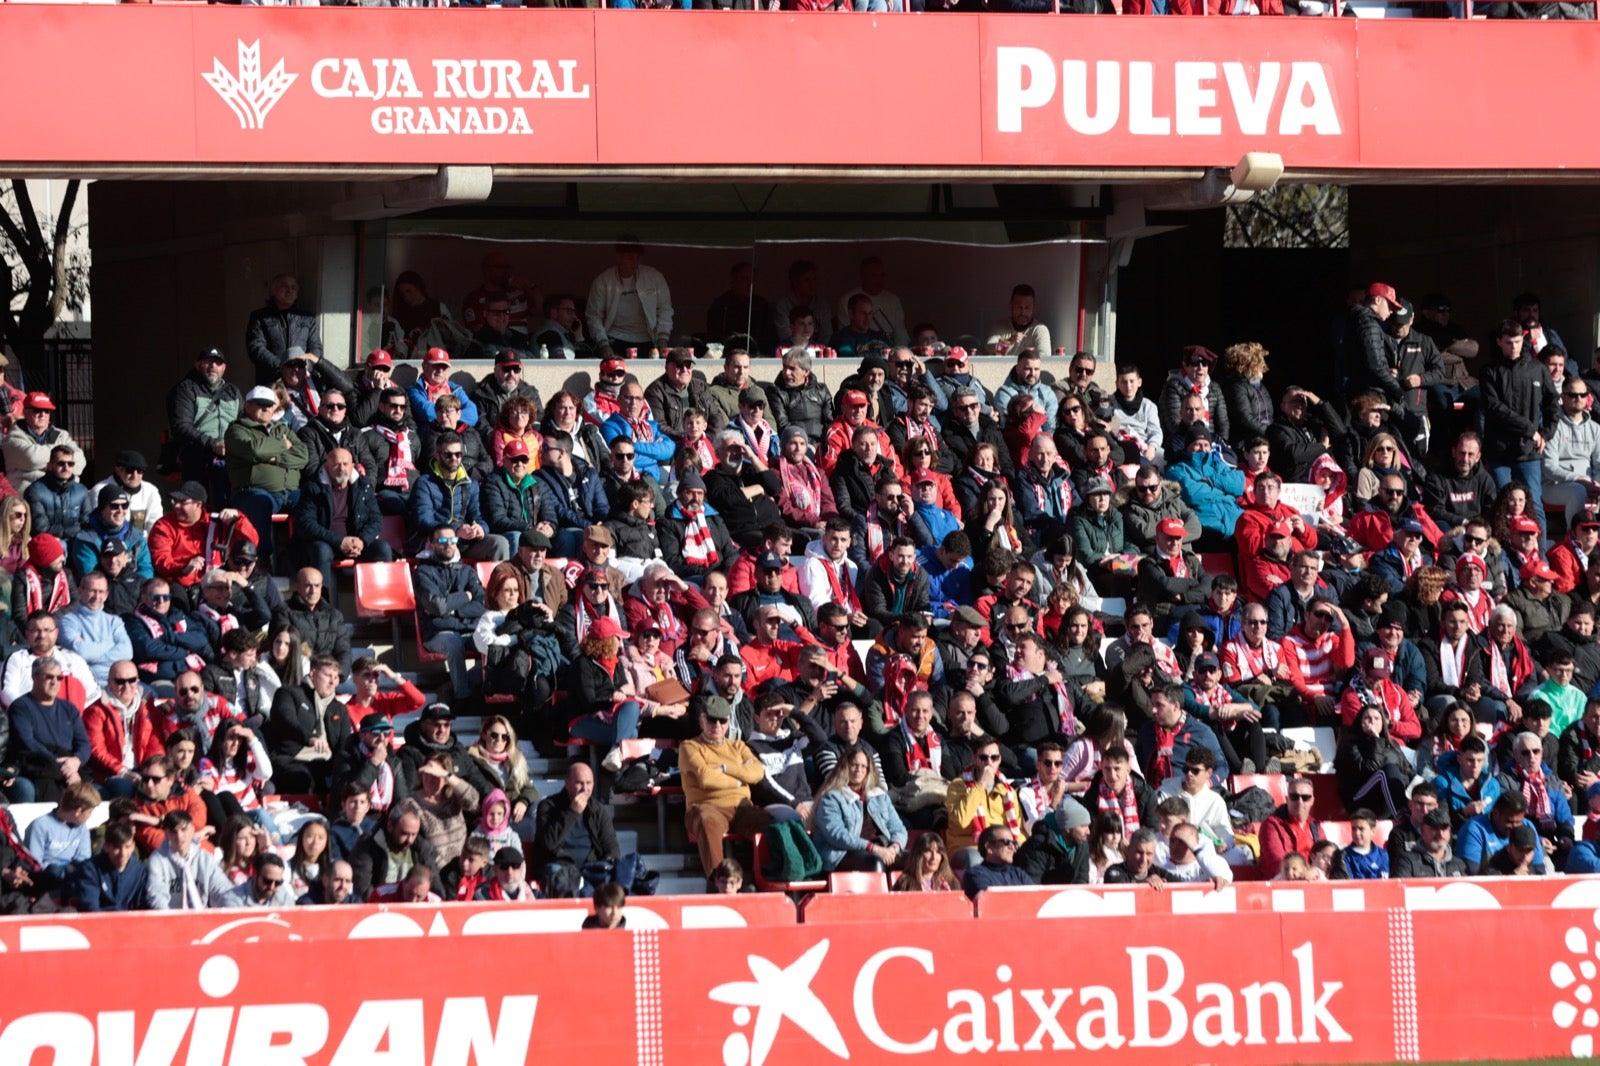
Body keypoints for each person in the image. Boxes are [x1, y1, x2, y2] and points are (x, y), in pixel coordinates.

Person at [1481, 318, 1559, 537]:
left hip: (1528, 451)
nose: (1513, 346)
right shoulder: (1490, 371)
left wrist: (1546, 433)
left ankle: (1540, 557)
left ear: (1522, 339)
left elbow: (1553, 402)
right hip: (1499, 449)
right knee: (1503, 505)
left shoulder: (1537, 369)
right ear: (1499, 342)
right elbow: (1494, 407)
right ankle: (1505, 557)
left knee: (1533, 506)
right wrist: (1530, 429)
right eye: (1508, 342)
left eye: (1516, 341)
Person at [680, 697, 771, 877]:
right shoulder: (689, 747)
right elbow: (706, 778)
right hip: (706, 806)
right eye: (712, 719)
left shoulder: (738, 746)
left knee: (770, 823)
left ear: (729, 722)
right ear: (702, 720)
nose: (717, 725)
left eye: (722, 720)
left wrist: (725, 768)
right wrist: (738, 780)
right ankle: (719, 882)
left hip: (741, 808)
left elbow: (757, 773)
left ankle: (766, 878)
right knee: (706, 821)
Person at [224, 386, 308, 558]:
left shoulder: (282, 428)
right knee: (259, 501)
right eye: (260, 404)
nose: (265, 408)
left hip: (290, 493)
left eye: (269, 405)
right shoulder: (237, 430)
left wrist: (274, 458)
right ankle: (261, 560)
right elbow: (255, 450)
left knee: (313, 501)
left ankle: (300, 557)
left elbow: (303, 455)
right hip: (254, 490)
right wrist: (283, 445)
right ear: (247, 406)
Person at [292, 448, 391, 591]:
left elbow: (376, 519)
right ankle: (322, 605)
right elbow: (307, 523)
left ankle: (380, 604)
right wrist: (339, 541)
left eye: (345, 464)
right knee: (321, 551)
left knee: (382, 548)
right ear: (327, 466)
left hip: (357, 543)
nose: (341, 468)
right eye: (336, 464)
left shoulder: (364, 486)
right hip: (326, 542)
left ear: (353, 466)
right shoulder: (313, 488)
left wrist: (362, 541)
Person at [264, 654, 350, 795]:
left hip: (326, 763)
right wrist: (309, 738)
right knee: (303, 778)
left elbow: (344, 744)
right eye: (328, 675)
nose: (333, 682)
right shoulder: (289, 693)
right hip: (292, 760)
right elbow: (285, 720)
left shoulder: (339, 708)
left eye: (336, 678)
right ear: (313, 673)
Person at [532, 763, 619, 892]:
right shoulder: (548, 806)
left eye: (589, 783)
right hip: (559, 867)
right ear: (567, 784)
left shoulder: (598, 810)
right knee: (561, 879)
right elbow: (549, 844)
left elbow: (612, 849)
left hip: (590, 868)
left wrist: (604, 866)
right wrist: (572, 813)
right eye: (579, 783)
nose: (585, 789)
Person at [350, 799, 445, 899]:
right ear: (390, 825)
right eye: (404, 833)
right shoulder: (368, 845)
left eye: (414, 834)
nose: (410, 840)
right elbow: (363, 889)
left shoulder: (422, 848)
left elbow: (436, 886)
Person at [144, 808, 232, 910]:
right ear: (166, 834)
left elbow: (222, 889)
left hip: (201, 918)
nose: (179, 836)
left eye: (183, 829)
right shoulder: (157, 860)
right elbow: (156, 894)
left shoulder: (205, 858)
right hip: (170, 919)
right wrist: (171, 920)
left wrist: (231, 905)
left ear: (192, 830)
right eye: (173, 832)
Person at [245, 274, 321, 386]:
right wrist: (282, 367)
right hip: (272, 381)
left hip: (302, 381)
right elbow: (256, 347)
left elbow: (316, 348)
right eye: (284, 286)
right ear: (273, 291)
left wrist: (303, 367)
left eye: (293, 288)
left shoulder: (308, 319)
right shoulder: (259, 317)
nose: (289, 290)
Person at [1458, 791, 1547, 875]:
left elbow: (1539, 870)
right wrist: (1511, 879)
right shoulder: (1475, 829)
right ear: (1496, 813)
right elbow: (1471, 873)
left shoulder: (1527, 826)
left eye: (1518, 822)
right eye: (1510, 822)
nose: (1515, 827)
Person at [1257, 777, 1324, 879]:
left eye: (1305, 797)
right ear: (1287, 799)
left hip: (1312, 880)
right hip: (1281, 883)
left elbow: (1325, 858)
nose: (1300, 801)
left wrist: (1315, 872)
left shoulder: (1316, 826)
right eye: (1294, 797)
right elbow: (1277, 863)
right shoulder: (1271, 825)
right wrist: (1305, 874)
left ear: (1312, 801)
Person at [72, 821, 147, 912]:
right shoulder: (91, 869)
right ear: (106, 847)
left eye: (127, 847)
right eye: (117, 848)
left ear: (133, 847)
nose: (122, 853)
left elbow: (142, 907)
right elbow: (90, 906)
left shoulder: (140, 871)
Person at [961, 823, 1035, 898]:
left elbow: (1036, 899)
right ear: (989, 847)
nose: (1012, 848)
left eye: (1014, 843)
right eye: (1007, 842)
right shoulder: (976, 875)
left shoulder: (1019, 874)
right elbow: (987, 902)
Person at [1391, 807, 1467, 878]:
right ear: (1422, 831)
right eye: (1434, 828)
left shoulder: (1459, 864)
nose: (1440, 834)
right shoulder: (1406, 861)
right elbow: (1399, 889)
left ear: (1450, 832)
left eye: (1444, 829)